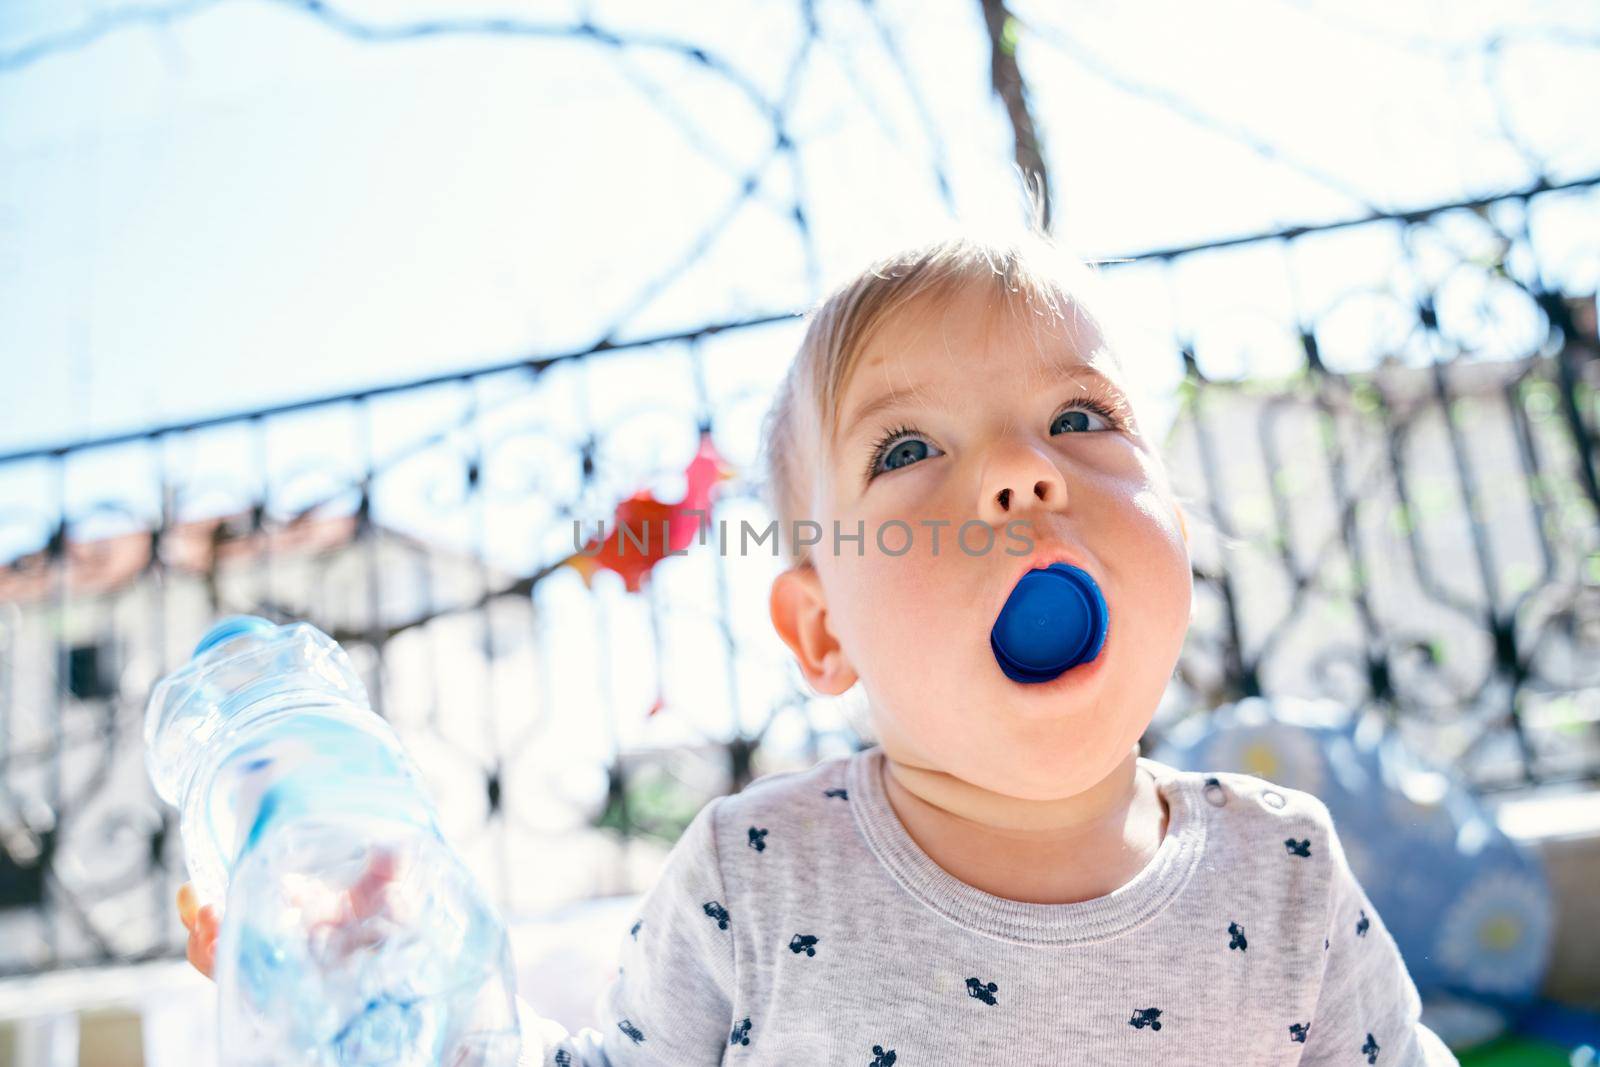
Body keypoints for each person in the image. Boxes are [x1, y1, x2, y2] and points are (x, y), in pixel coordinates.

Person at [178, 225, 1459, 1064]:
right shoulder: (759, 874)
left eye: (1079, 415)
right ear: (821, 626)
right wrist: (367, 974)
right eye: (909, 451)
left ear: (1176, 531)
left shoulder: (1281, 862)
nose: (1020, 472)